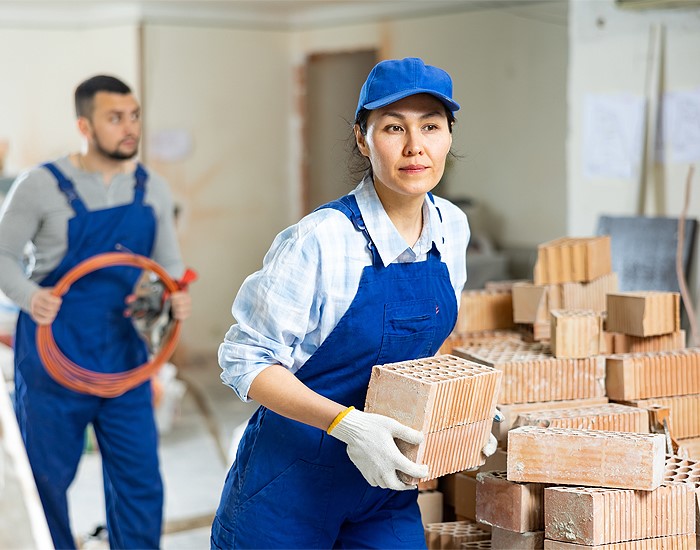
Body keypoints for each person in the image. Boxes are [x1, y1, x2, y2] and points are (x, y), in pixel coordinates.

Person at [212, 57, 496, 549]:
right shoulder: (320, 240)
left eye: (430, 126)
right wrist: (348, 424)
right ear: (364, 140)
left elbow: (426, 350)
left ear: (448, 136)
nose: (415, 146)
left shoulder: (452, 228)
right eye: (393, 128)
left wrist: (462, 411)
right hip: (290, 484)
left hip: (382, 487)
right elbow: (245, 361)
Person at [0, 75, 192, 549]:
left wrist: (172, 296)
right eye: (115, 118)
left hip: (123, 357)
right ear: (85, 125)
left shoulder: (153, 190)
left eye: (134, 116)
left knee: (140, 482)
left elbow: (168, 268)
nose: (130, 128)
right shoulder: (40, 186)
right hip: (52, 355)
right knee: (45, 482)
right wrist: (30, 296)